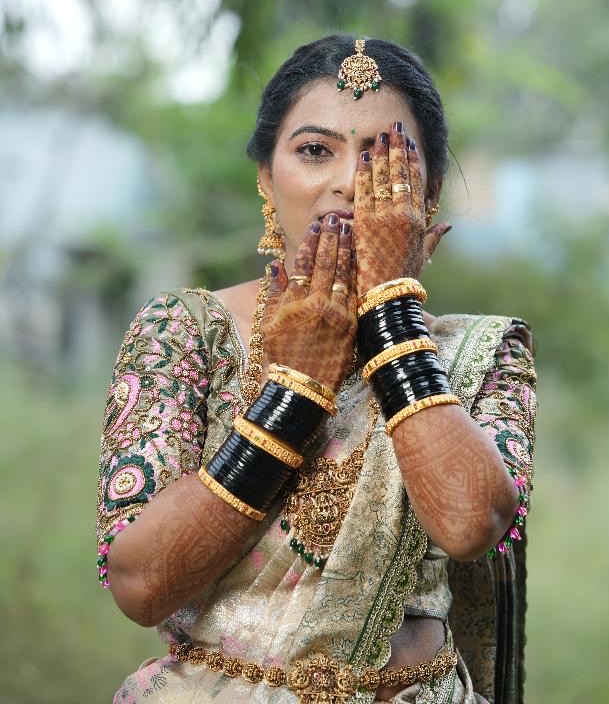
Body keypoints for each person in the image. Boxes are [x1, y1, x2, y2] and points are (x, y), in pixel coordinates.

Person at [96, 35, 536, 704]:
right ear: (266, 178)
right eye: (313, 151)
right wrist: (293, 393)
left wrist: (391, 316)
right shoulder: (186, 333)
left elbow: (471, 524)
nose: (349, 182)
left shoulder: (480, 352)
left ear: (430, 191)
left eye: (385, 158)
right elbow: (140, 585)